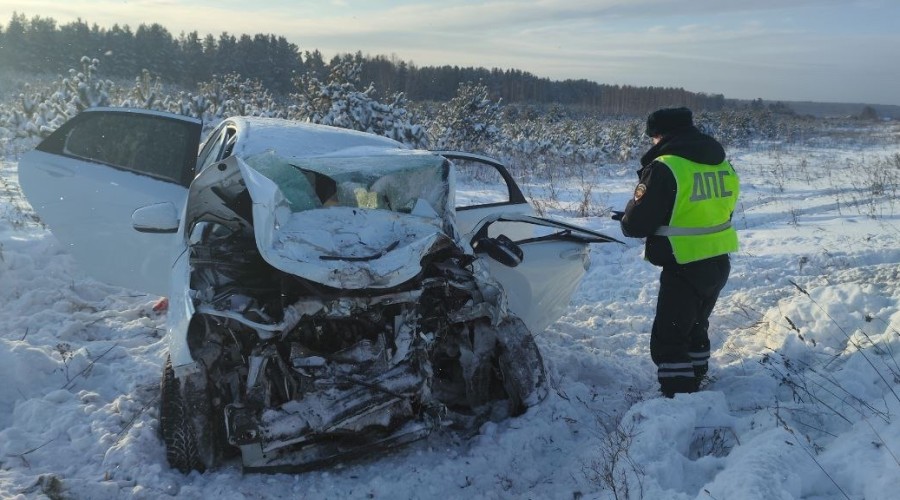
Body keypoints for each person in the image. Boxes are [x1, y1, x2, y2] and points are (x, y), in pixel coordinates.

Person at [615, 107, 739, 397]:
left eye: (653, 137)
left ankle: (678, 398)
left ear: (660, 135)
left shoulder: (666, 166)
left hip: (684, 263)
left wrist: (627, 217)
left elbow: (636, 225)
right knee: (696, 327)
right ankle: (696, 378)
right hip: (719, 259)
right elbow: (717, 208)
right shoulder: (720, 163)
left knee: (670, 339)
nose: (653, 143)